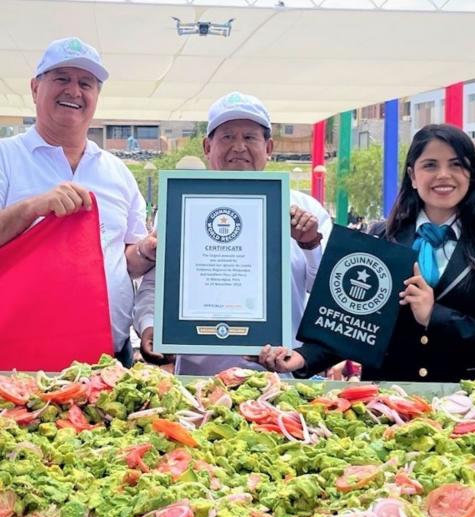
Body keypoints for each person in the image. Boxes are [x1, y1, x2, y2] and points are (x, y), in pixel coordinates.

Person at [259, 124, 475, 383]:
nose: (443, 175)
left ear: (471, 174)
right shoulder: (381, 237)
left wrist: (434, 316)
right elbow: (351, 325)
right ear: (413, 176)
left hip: (469, 407)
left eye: (457, 165)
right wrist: (300, 358)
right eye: (430, 165)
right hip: (388, 405)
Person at [0, 37, 156, 363]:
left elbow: (126, 262)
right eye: (61, 78)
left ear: (96, 97)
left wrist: (147, 249)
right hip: (17, 361)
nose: (74, 90)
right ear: (34, 88)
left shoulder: (118, 173)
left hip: (110, 360)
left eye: (86, 83)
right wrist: (32, 208)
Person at [138, 91, 331, 375]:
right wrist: (149, 326)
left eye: (250, 137)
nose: (239, 147)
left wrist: (310, 245)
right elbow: (155, 286)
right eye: (227, 136)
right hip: (198, 380)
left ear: (269, 147)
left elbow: (324, 296)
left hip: (280, 379)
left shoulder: (304, 211)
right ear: (207, 146)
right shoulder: (181, 209)